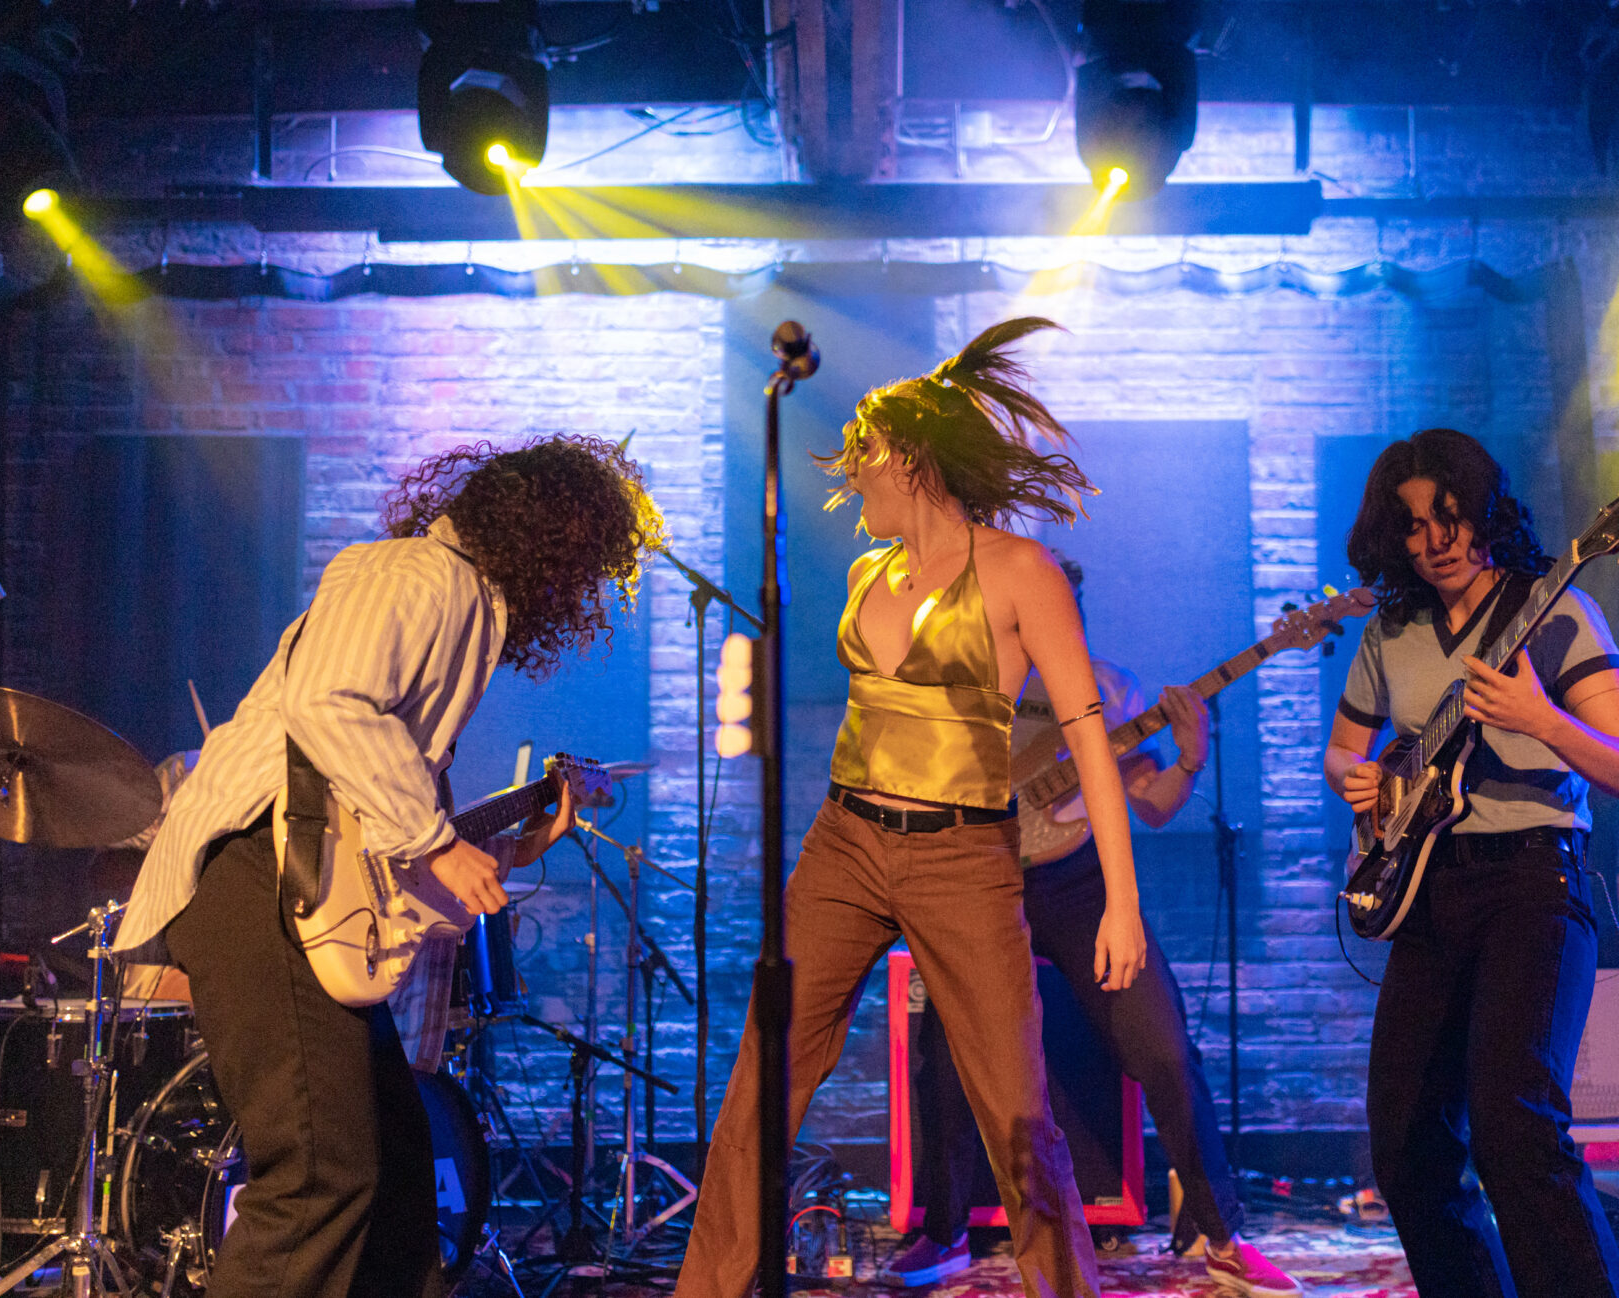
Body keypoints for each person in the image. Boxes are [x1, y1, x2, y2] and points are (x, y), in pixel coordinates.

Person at [113, 434, 663, 1298]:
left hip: (297, 892)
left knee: (400, 1178)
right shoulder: (412, 572)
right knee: (318, 1178)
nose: (584, 590)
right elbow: (328, 702)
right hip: (259, 878)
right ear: (551, 539)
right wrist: (436, 842)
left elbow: (381, 824)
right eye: (588, 565)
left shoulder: (461, 606)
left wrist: (522, 841)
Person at [675, 319, 1144, 1298]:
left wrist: (1122, 902)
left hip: (960, 855)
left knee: (1016, 1113)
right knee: (764, 1077)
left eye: (865, 460)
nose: (853, 482)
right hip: (844, 842)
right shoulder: (866, 573)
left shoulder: (1020, 571)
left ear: (911, 458)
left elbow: (1089, 738)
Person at [884, 553, 1301, 1297]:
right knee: (944, 1054)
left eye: (1065, 606)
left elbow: (1153, 806)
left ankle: (1225, 1238)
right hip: (985, 889)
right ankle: (944, 1233)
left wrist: (1191, 759)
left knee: (1164, 1048)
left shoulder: (1108, 688)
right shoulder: (962, 685)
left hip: (1081, 886)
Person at [1323, 428, 1619, 1298]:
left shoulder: (1555, 611)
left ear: (1485, 512)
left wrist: (1541, 718)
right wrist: (1362, 781)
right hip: (1429, 893)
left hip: (1534, 885)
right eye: (1412, 525)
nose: (1434, 540)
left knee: (1514, 1128)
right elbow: (1343, 751)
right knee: (1404, 1146)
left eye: (1450, 515)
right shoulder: (1391, 631)